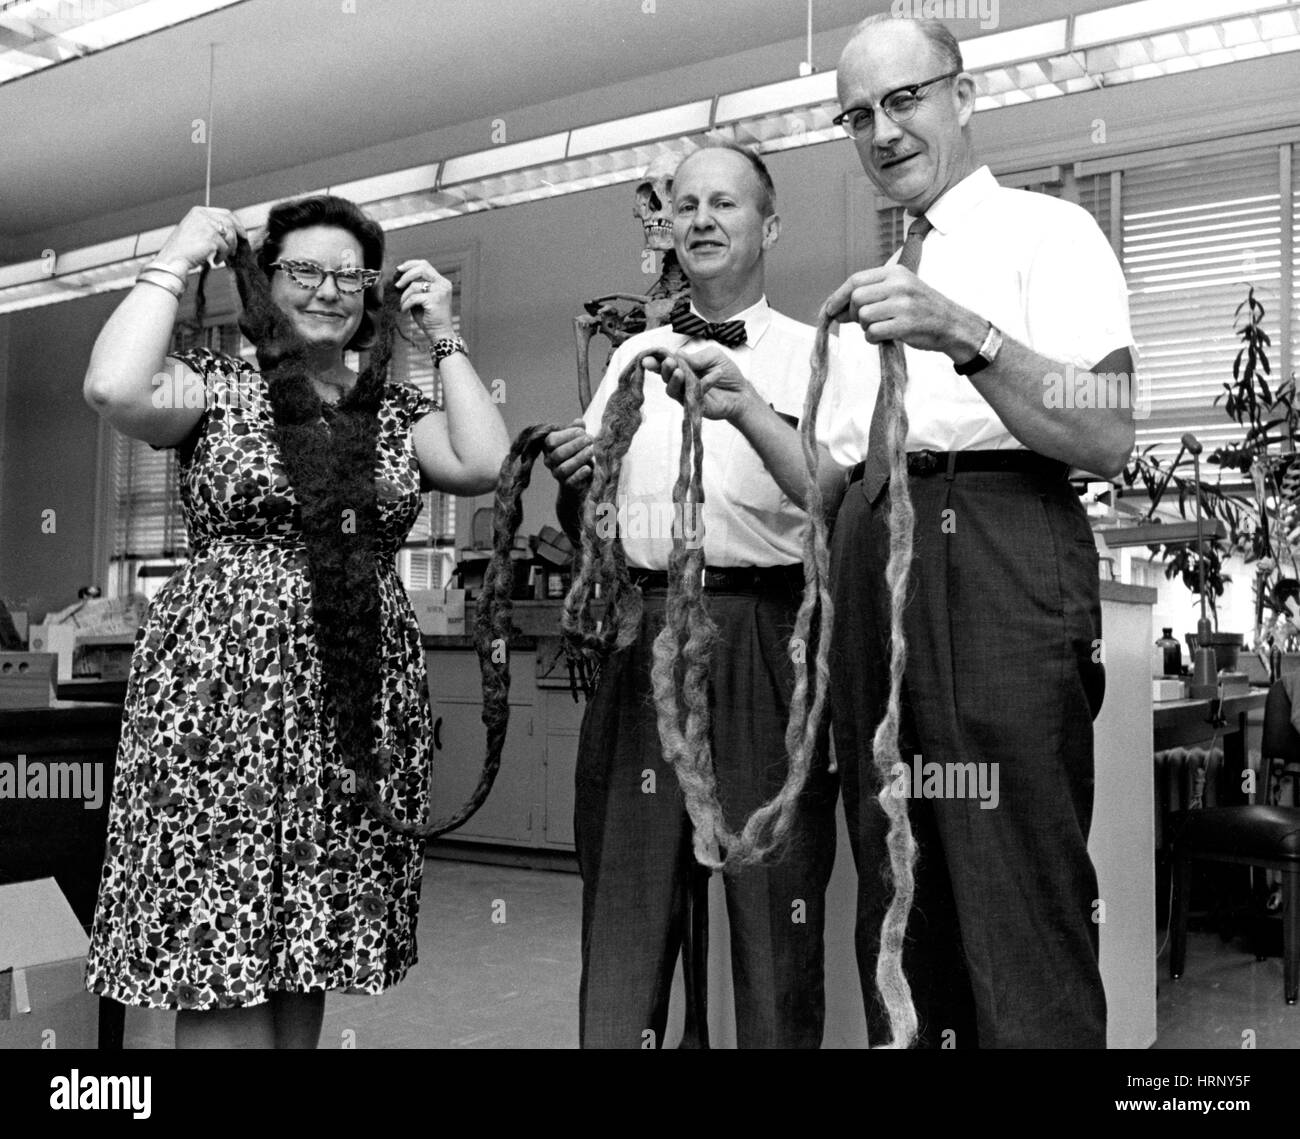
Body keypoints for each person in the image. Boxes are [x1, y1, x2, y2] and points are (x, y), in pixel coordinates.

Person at [82, 194, 510, 1048]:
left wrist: (446, 337)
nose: (327, 289)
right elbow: (111, 384)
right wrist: (174, 255)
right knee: (222, 936)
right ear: (263, 281)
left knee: (307, 937)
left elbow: (485, 460)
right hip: (222, 701)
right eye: (304, 270)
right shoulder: (216, 389)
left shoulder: (390, 410)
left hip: (348, 708)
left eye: (349, 275)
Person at [822, 14, 1136, 1047]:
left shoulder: (1050, 233)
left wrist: (966, 331)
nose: (882, 131)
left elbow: (1103, 430)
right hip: (879, 552)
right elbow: (839, 473)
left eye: (903, 99)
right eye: (858, 114)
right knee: (896, 877)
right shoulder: (877, 283)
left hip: (999, 544)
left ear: (964, 94)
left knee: (1014, 877)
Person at [543, 142, 841, 1048]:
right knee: (628, 897)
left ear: (770, 226)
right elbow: (598, 513)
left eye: (726, 203)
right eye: (686, 205)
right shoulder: (635, 351)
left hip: (765, 634)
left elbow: (837, 501)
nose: (702, 219)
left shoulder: (817, 355)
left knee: (772, 903)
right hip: (644, 640)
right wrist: (574, 475)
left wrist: (752, 409)